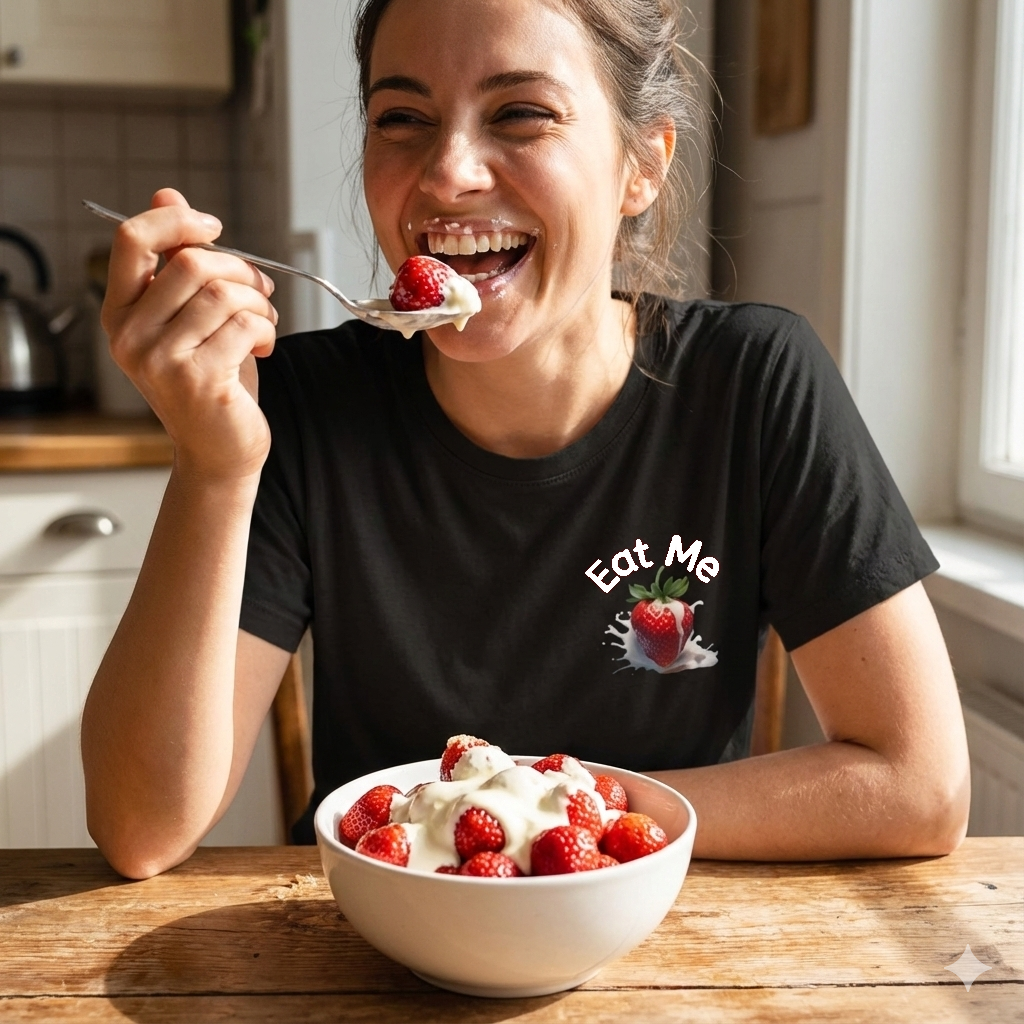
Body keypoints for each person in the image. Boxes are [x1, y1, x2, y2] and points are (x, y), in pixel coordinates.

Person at [82, 0, 969, 879]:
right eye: (402, 119)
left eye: (520, 113)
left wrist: (556, 826)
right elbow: (141, 827)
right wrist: (214, 466)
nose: (448, 172)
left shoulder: (753, 380)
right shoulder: (300, 407)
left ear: (641, 165)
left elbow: (919, 784)